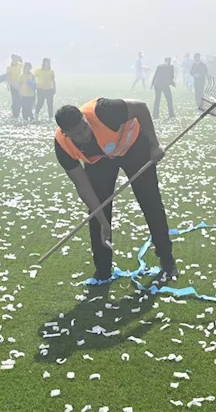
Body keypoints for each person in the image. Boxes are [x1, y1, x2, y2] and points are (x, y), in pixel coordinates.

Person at [54, 98, 176, 283]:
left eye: (84, 127)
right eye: (77, 134)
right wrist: (103, 221)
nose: (85, 135)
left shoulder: (104, 111)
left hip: (134, 147)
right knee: (97, 212)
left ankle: (167, 261)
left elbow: (141, 107)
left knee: (151, 203)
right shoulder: (62, 146)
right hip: (100, 161)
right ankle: (103, 271)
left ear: (84, 118)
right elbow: (83, 187)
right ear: (65, 133)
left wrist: (154, 144)